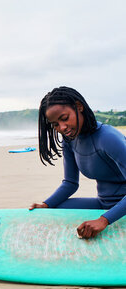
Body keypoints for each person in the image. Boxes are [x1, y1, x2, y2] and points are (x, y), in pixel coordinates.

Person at [29, 86, 126, 239]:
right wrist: (46, 204)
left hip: (120, 208)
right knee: (53, 210)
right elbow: (70, 183)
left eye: (64, 118)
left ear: (79, 107)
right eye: (55, 124)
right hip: (103, 204)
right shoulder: (70, 140)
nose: (62, 128)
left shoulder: (107, 138)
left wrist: (104, 220)